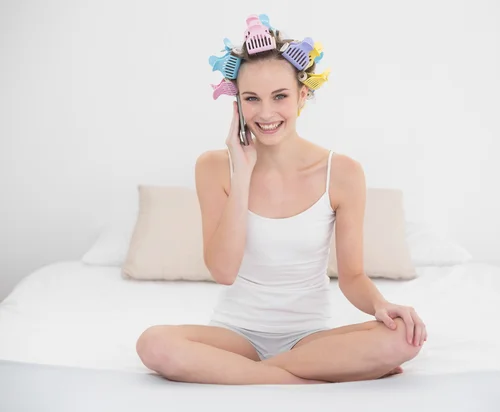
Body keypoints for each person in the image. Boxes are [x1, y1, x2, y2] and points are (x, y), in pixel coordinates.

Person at [136, 14, 426, 385]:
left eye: (280, 96)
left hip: (309, 337)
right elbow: (223, 272)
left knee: (404, 337)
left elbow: (352, 276)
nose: (266, 112)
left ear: (302, 97)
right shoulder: (213, 168)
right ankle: (304, 380)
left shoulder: (343, 173)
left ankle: (254, 374)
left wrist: (382, 306)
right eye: (251, 99)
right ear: (237, 104)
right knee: (154, 344)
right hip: (235, 335)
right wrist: (241, 174)